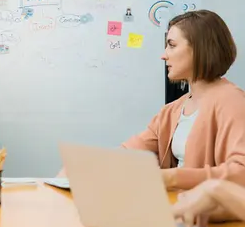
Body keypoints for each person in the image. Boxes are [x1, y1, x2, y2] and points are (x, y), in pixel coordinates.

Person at [58, 10, 245, 191]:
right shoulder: (172, 111)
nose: (164, 55)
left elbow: (241, 173)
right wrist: (84, 166)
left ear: (200, 48)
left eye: (172, 45)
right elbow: (131, 150)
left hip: (208, 217)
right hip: (177, 208)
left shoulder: (233, 102)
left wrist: (171, 177)